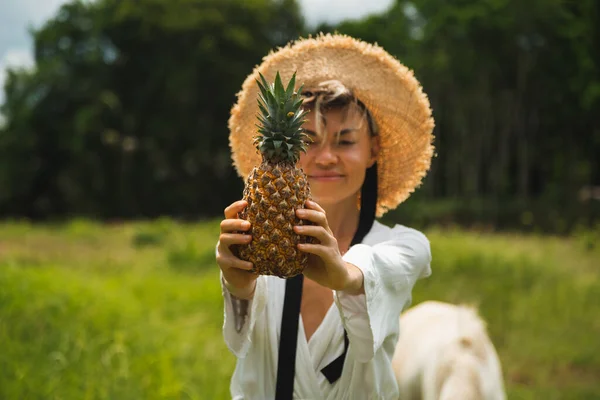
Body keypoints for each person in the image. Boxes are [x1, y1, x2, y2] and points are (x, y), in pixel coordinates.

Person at [216, 33, 435, 399]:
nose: (326, 157)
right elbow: (240, 342)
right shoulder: (256, 245)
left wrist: (344, 273)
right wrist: (238, 285)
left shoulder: (406, 246)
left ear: (373, 150)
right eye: (308, 140)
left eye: (345, 141)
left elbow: (377, 270)